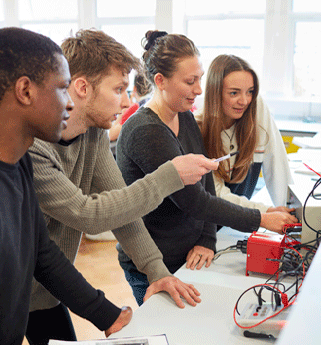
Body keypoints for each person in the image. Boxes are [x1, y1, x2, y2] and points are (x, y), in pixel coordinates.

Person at [27, 28, 219, 344]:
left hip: (48, 290)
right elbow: (88, 215)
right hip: (2, 292)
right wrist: (169, 176)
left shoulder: (92, 134)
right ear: (82, 87)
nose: (128, 101)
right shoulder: (34, 146)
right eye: (119, 89)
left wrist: (158, 272)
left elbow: (123, 211)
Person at [0, 27, 133, 345]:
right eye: (62, 89)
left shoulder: (18, 160)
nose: (69, 104)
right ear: (25, 91)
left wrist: (106, 314)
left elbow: (42, 254)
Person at [116, 30, 298, 305]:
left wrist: (207, 239)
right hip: (153, 264)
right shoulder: (146, 131)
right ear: (160, 81)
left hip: (189, 255)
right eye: (190, 82)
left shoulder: (184, 118)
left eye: (199, 79)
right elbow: (193, 201)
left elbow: (206, 185)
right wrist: (260, 219)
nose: (199, 90)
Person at [194, 54, 294, 214]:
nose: (244, 101)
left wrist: (286, 211)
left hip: (241, 219)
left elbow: (276, 162)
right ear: (215, 93)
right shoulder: (197, 127)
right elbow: (217, 194)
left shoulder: (256, 107)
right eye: (234, 93)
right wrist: (267, 212)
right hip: (212, 222)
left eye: (250, 91)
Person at [108, 72, 152, 142]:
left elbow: (111, 135)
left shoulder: (136, 107)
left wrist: (122, 113)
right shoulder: (152, 103)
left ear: (134, 89)